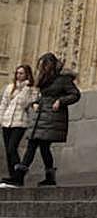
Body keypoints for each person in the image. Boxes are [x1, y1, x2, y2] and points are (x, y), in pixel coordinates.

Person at [11, 53, 80, 187]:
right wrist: (36, 102)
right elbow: (42, 95)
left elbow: (75, 94)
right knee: (42, 147)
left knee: (34, 144)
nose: (42, 68)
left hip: (52, 117)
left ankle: (19, 176)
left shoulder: (63, 80)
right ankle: (49, 177)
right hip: (41, 116)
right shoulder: (44, 79)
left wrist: (60, 101)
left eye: (45, 65)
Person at [1, 64, 36, 185]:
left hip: (20, 122)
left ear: (27, 75)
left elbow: (25, 103)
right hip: (7, 121)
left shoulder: (30, 89)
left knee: (12, 147)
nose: (18, 75)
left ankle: (18, 174)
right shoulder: (10, 87)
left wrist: (25, 88)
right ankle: (12, 176)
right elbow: (4, 103)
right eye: (17, 73)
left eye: (21, 73)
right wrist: (2, 118)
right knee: (8, 150)